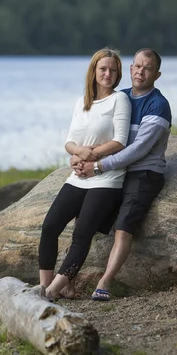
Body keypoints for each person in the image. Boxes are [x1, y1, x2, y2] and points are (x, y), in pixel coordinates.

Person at [76, 48, 172, 301]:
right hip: (116, 169)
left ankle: (105, 282)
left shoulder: (158, 105)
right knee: (86, 216)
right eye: (137, 66)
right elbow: (96, 129)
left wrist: (97, 166)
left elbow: (138, 150)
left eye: (147, 68)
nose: (141, 71)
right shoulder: (121, 98)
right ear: (130, 69)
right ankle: (69, 278)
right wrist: (81, 155)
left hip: (143, 173)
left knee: (123, 226)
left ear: (157, 74)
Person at [38, 48, 132, 301]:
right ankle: (43, 287)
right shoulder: (82, 102)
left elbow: (120, 141)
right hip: (78, 176)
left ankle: (52, 291)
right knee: (49, 228)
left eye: (113, 70)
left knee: (82, 235)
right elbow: (70, 141)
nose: (108, 74)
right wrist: (77, 153)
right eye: (103, 69)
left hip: (106, 178)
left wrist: (91, 156)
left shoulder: (119, 100)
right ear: (93, 71)